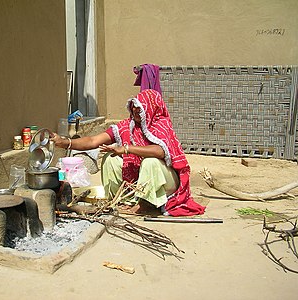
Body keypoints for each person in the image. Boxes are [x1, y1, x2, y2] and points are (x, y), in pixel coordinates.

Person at [50, 89, 205, 216]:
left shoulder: (161, 125)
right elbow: (93, 141)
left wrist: (126, 149)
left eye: (140, 107)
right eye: (134, 106)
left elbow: (159, 151)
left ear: (151, 108)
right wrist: (66, 143)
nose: (136, 110)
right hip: (140, 179)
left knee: (150, 162)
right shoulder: (126, 126)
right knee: (110, 159)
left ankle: (147, 204)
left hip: (166, 180)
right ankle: (125, 200)